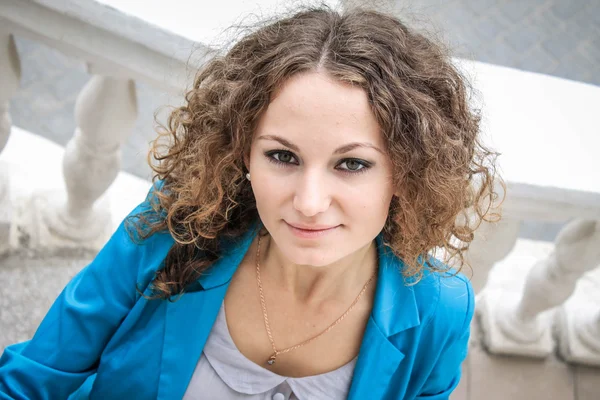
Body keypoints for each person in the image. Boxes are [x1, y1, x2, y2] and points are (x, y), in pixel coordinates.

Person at [0, 4, 502, 399]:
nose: (308, 202)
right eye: (283, 155)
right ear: (242, 151)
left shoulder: (442, 311)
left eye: (351, 164)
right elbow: (31, 379)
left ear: (406, 171)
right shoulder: (178, 221)